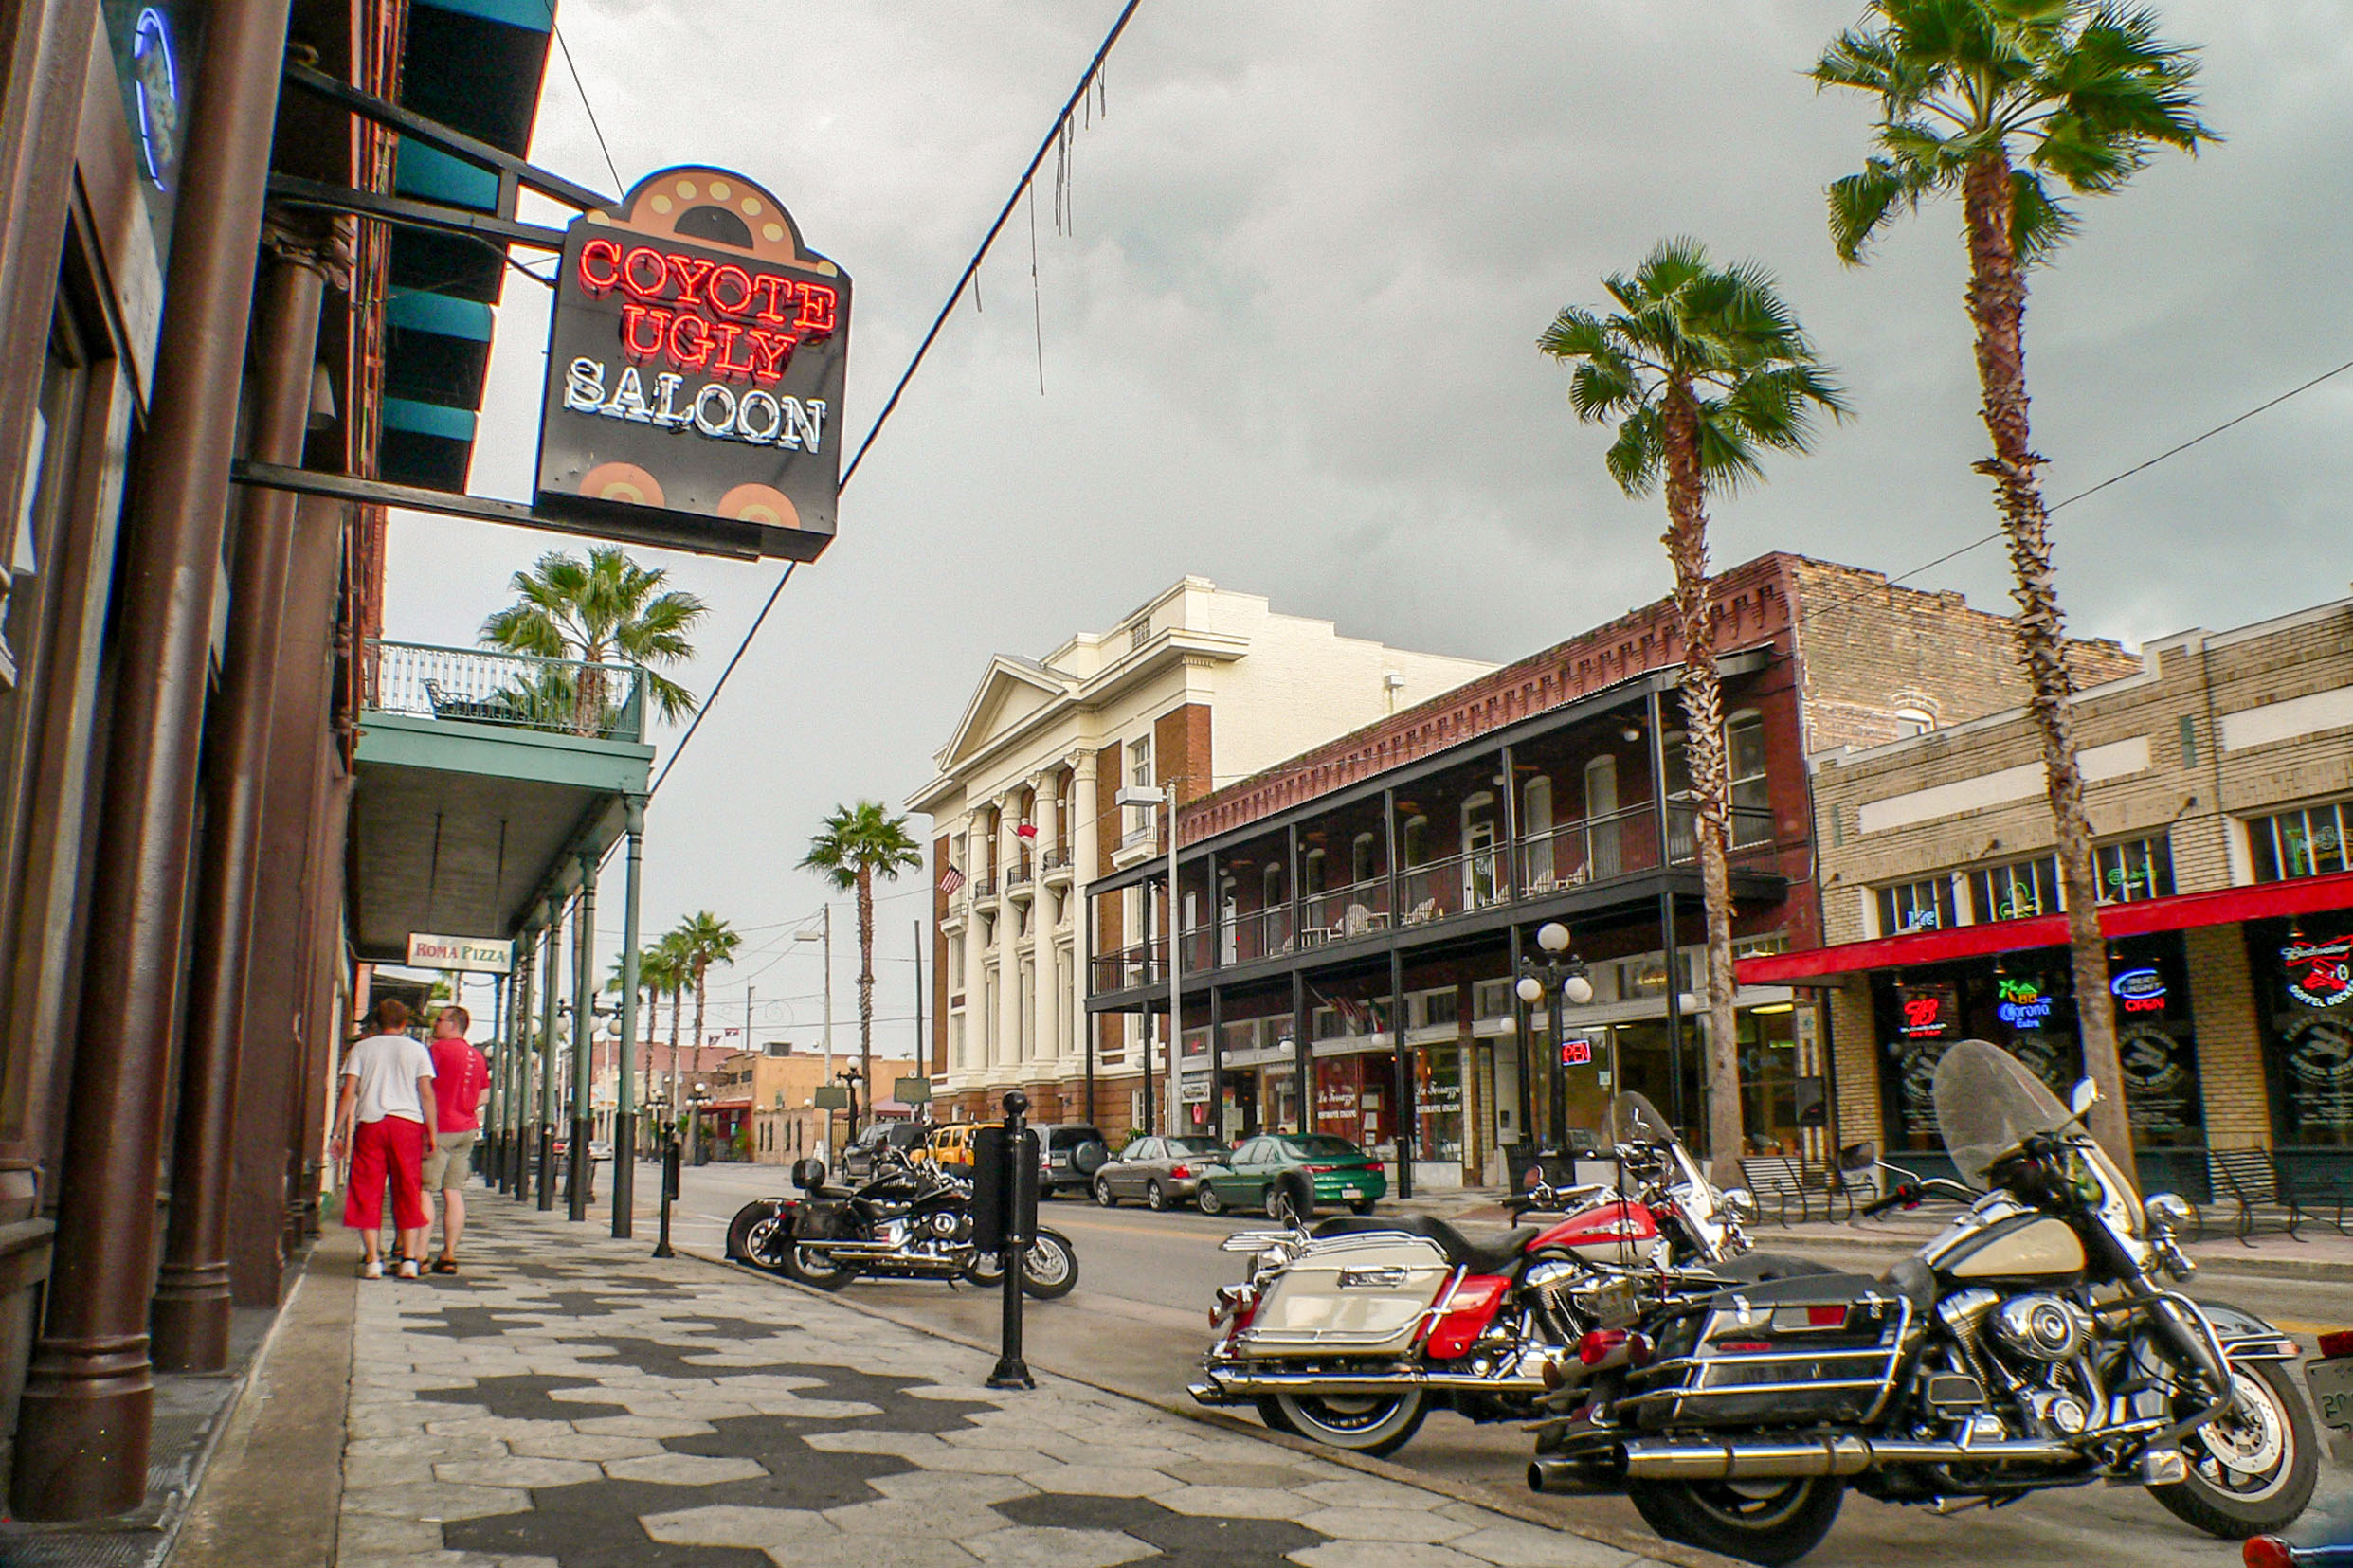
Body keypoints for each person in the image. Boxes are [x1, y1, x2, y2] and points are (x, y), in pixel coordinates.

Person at [332, 998, 437, 1279]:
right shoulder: (417, 1050)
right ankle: (409, 1259)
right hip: (407, 1124)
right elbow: (426, 1093)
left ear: (377, 1022)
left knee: (367, 1189)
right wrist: (432, 1132)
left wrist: (336, 1131)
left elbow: (348, 1092)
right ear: (404, 1023)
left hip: (371, 1123)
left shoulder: (361, 1049)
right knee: (407, 1189)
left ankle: (373, 1259)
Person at [423, 1004, 489, 1275]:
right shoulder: (477, 1056)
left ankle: (419, 1253)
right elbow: (484, 1095)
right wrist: (467, 1108)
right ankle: (449, 1253)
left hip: (439, 1128)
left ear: (452, 1024)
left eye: (439, 1020)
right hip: (466, 1128)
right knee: (454, 1192)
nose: (435, 1025)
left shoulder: (437, 1051)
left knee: (424, 1189)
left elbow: (423, 1086)